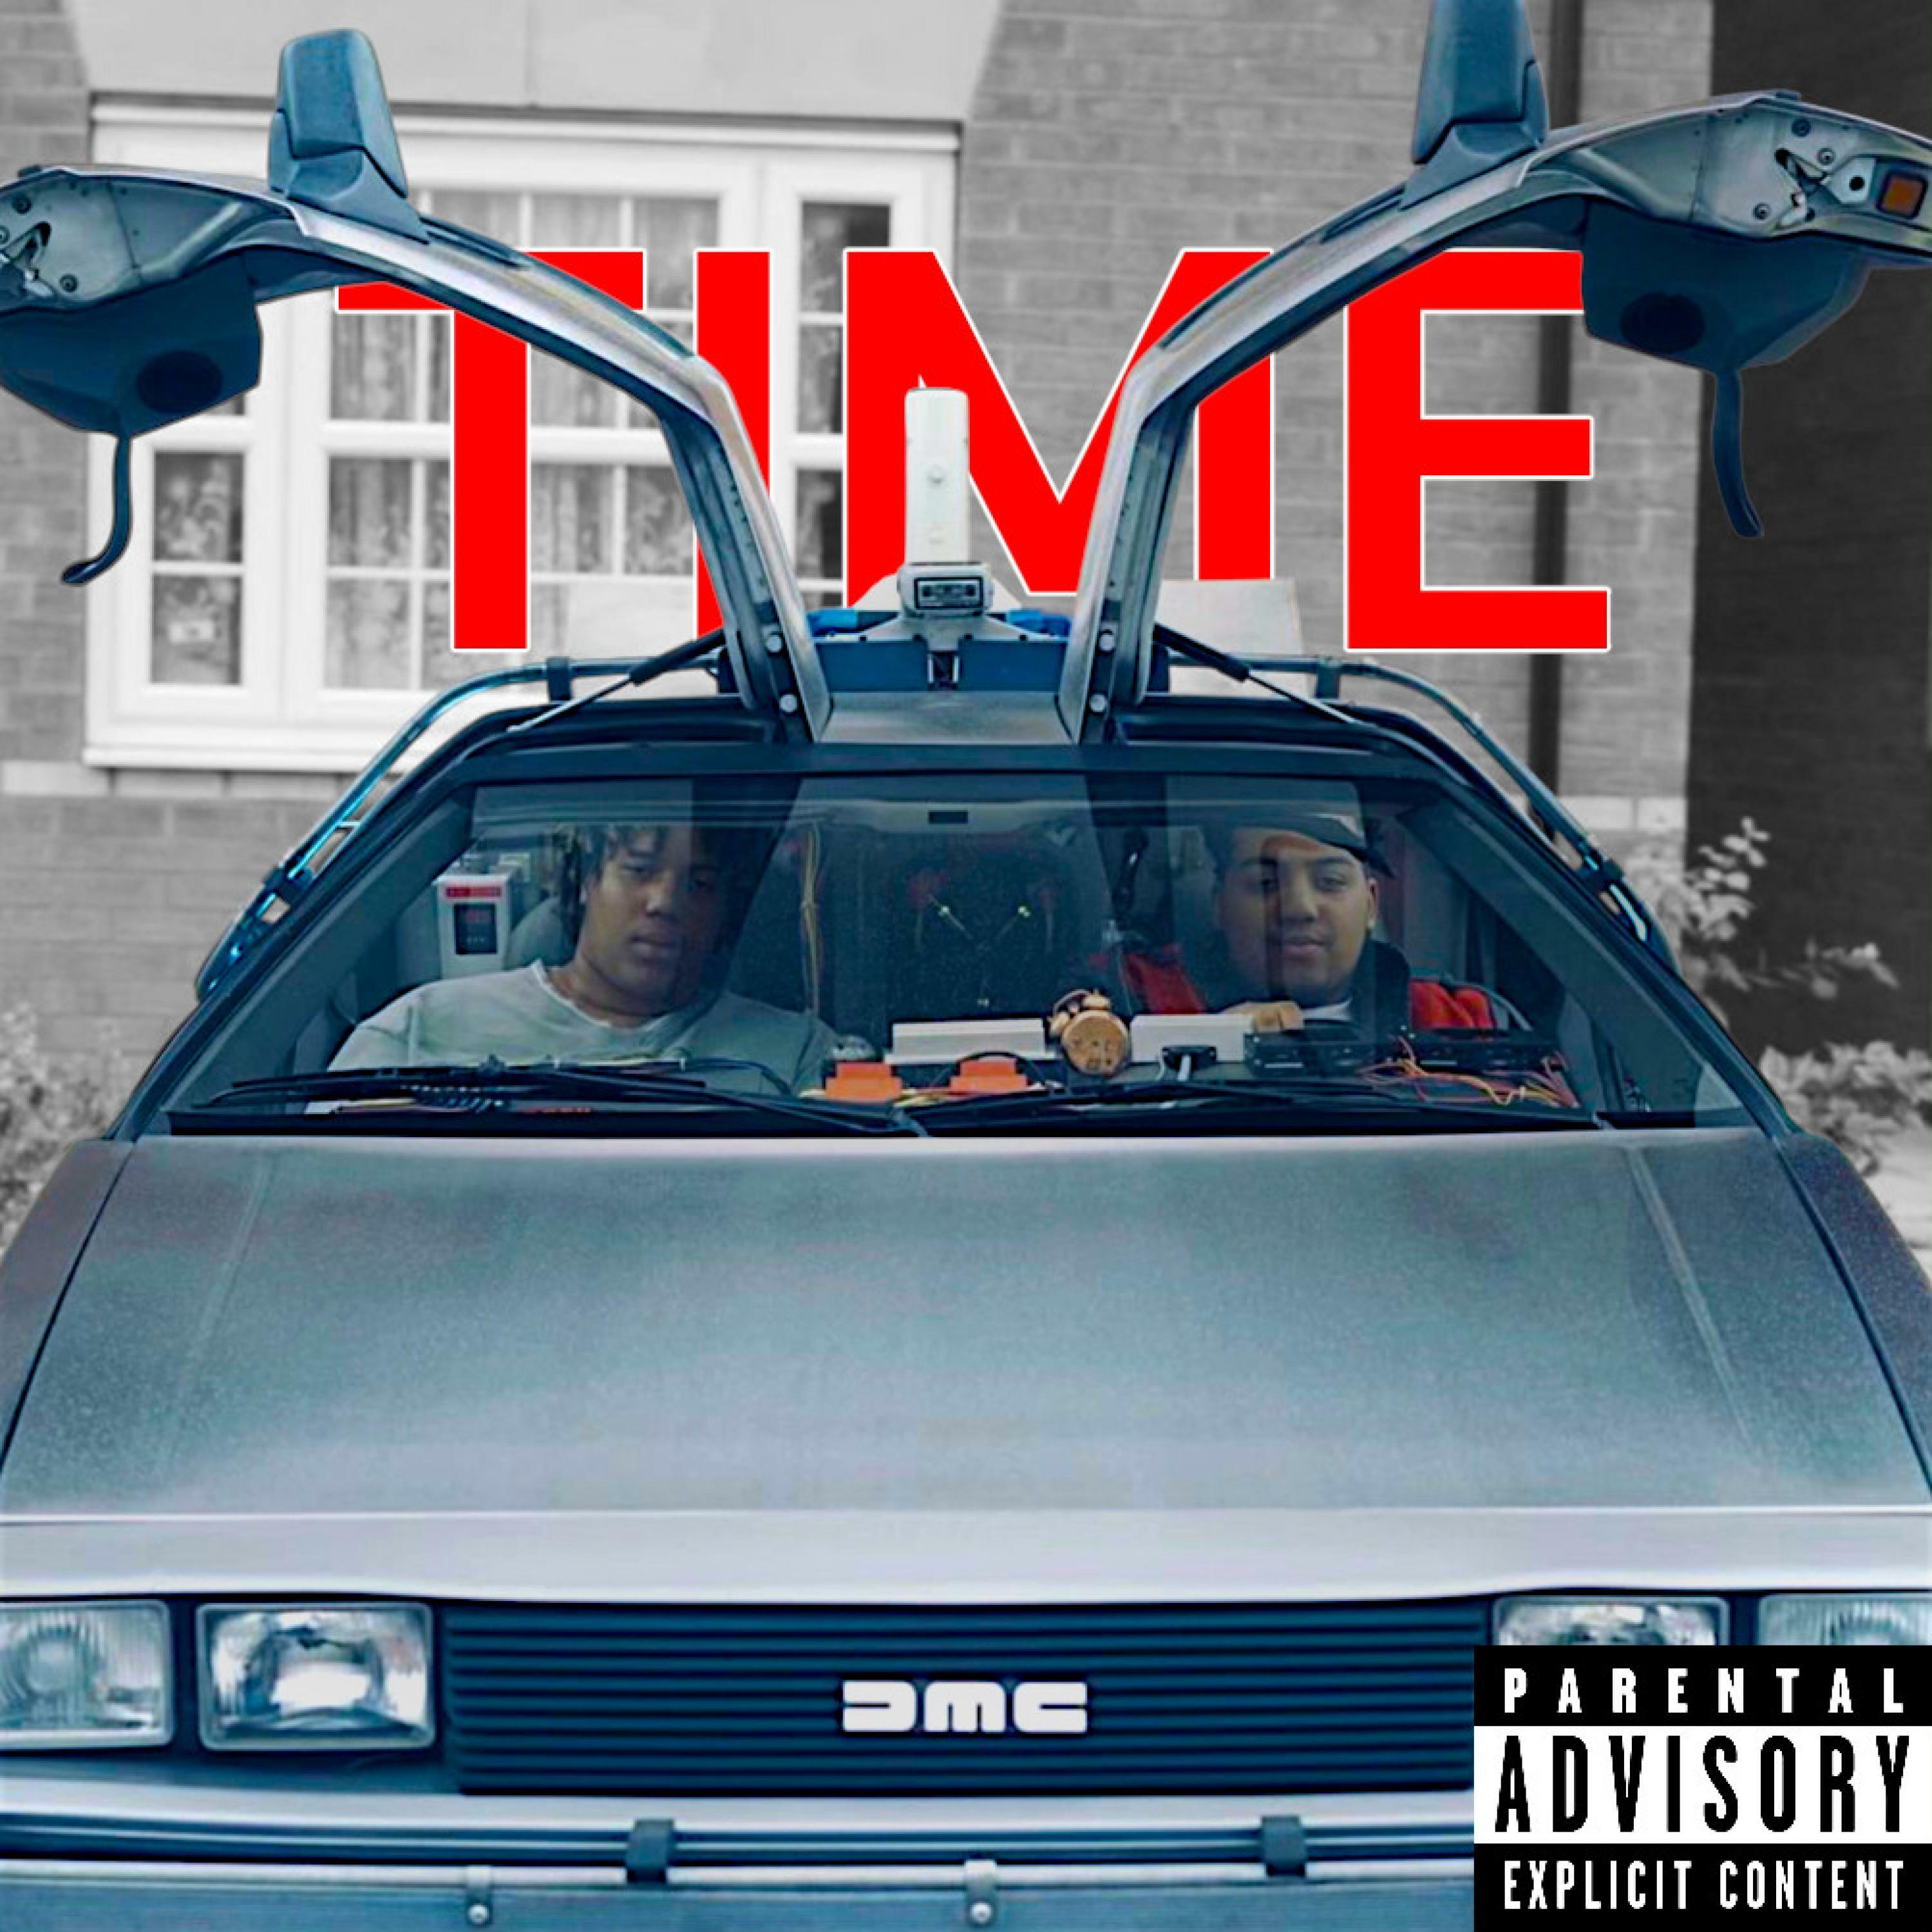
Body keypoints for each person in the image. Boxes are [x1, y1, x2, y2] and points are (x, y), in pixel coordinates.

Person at [331, 821, 838, 1093]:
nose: (666, 902)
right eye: (639, 870)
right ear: (583, 882)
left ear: (728, 911)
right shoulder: (417, 1030)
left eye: (700, 884)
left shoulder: (795, 1054)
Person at [1120, 793, 1515, 1032]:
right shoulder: (1133, 1001)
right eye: (1266, 884)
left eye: (1330, 882)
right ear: (1218, 906)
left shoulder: (1461, 1019)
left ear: (1371, 904)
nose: (1300, 909)